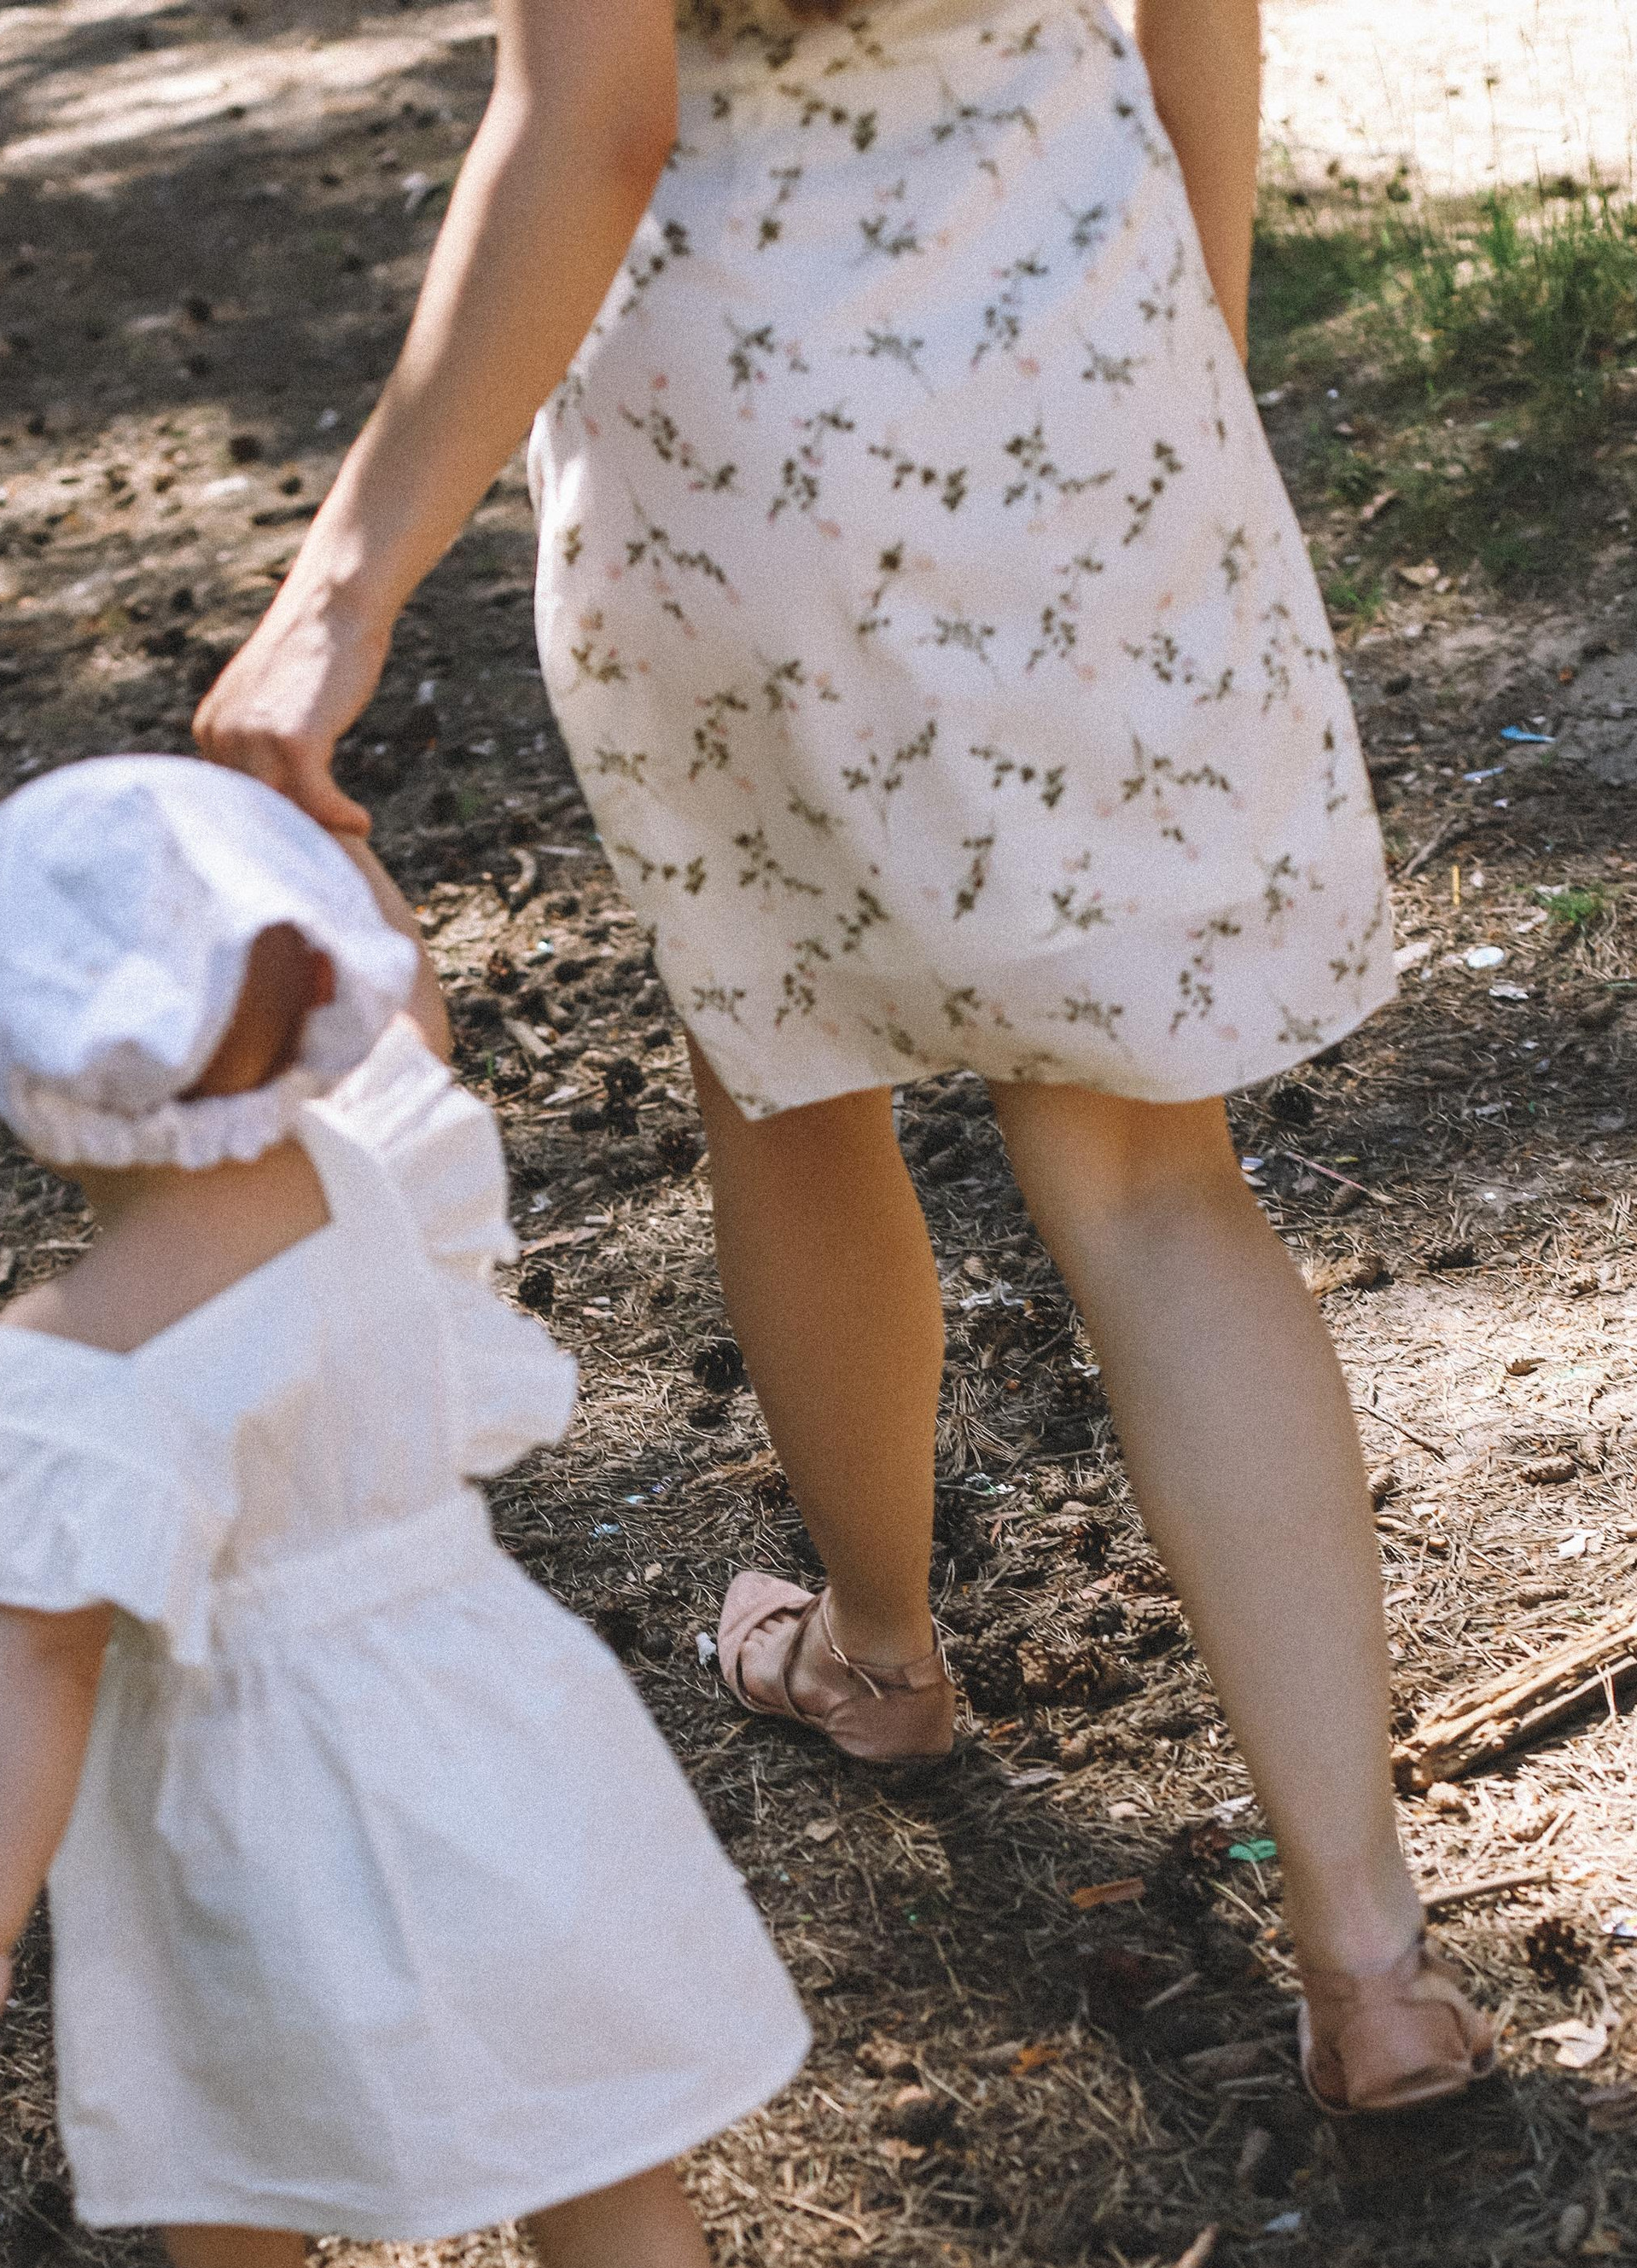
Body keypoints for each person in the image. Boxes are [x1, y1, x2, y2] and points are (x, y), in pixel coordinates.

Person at [193, 0, 1492, 2120]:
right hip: (1085, 355)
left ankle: (876, 1656)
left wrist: (336, 597)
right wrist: (1186, 357)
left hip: (745, 457)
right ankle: (1366, 1965)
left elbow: (586, 127)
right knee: (1157, 1183)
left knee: (789, 1086)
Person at [0, 754, 815, 2268]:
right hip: (479, 1732)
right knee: (590, 2139)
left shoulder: (71, 1370)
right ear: (313, 1005)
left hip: (219, 1794)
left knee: (210, 2123)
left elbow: (32, 1668)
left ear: (21, 1072)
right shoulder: (372, 1169)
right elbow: (412, 1024)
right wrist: (338, 858)